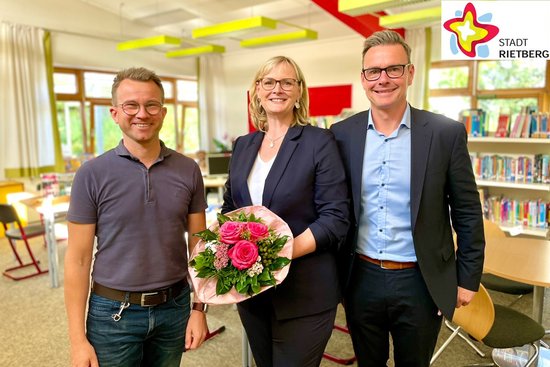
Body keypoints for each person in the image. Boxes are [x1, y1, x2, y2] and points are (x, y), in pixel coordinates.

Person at [330, 30, 485, 366]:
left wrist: (468, 278)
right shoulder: (341, 134)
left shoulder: (445, 134)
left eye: (393, 69)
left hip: (421, 279)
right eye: (374, 71)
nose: (383, 79)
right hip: (360, 278)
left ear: (410, 73)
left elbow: (468, 212)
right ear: (363, 78)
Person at [64, 67, 208, 367]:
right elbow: (77, 259)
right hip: (113, 314)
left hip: (176, 307)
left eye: (151, 105)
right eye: (131, 105)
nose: (142, 113)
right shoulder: (91, 174)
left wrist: (199, 308)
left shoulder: (188, 170)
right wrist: (78, 341)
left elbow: (199, 247)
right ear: (115, 113)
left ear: (163, 112)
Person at [221, 56, 350, 367]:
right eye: (269, 82)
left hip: (304, 293)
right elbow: (229, 208)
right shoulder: (243, 145)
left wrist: (273, 254)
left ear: (298, 90)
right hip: (252, 292)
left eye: (286, 82)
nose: (277, 89)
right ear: (257, 91)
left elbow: (335, 218)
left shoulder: (319, 141)